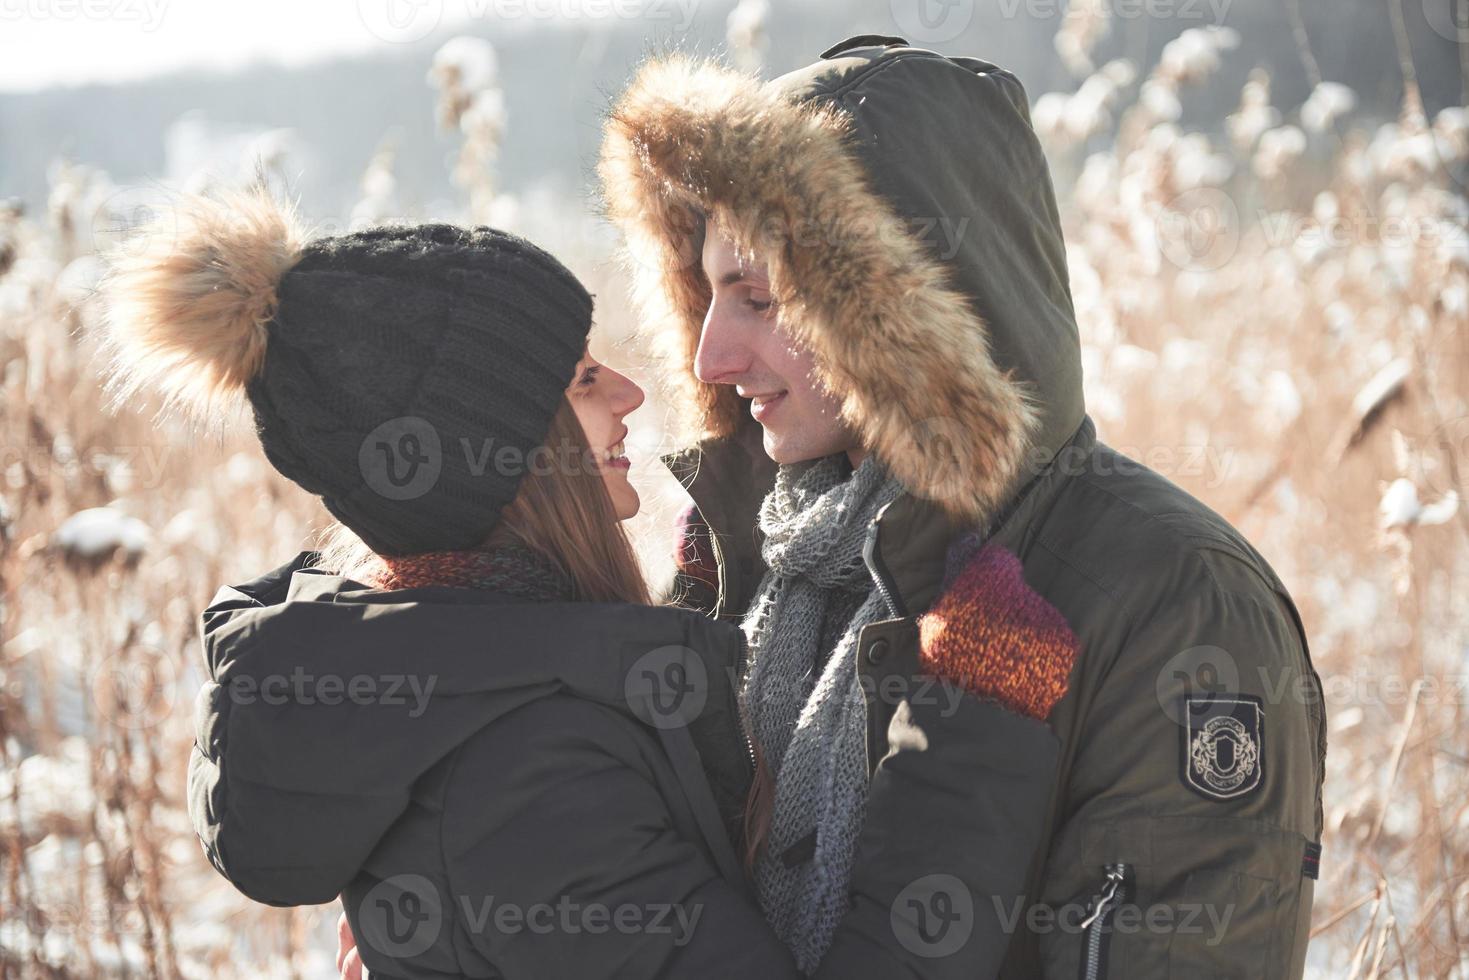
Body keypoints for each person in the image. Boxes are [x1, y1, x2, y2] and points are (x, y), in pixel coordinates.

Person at [101, 185, 1077, 978]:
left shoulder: (449, 682)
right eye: (578, 379)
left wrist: (692, 610)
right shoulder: (529, 780)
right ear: (504, 461)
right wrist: (971, 722)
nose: (633, 389)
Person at [595, 35, 1327, 977]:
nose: (709, 360)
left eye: (758, 299)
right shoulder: (751, 553)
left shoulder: (1172, 598)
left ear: (904, 315)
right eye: (703, 294)